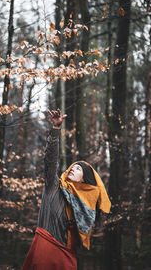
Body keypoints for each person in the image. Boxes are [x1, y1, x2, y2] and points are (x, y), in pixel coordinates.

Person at [22, 109, 111, 270]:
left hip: (66, 258)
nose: (72, 169)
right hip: (44, 253)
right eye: (72, 166)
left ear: (84, 179)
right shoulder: (54, 186)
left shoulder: (85, 205)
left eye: (78, 169)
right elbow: (50, 161)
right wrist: (55, 130)